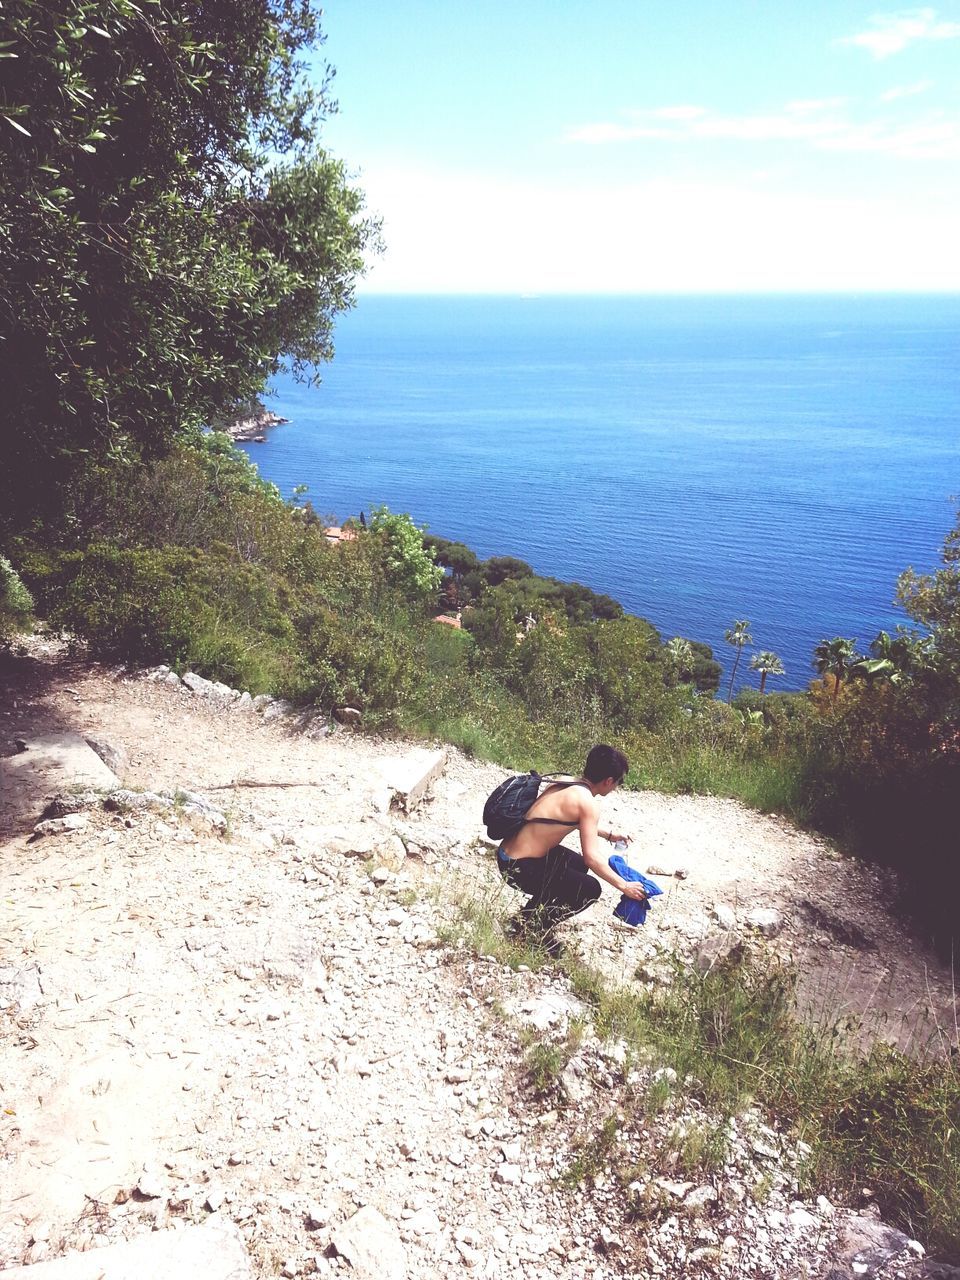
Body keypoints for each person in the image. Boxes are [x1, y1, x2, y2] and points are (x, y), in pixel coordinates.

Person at [495, 744, 647, 956]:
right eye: (619, 782)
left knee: (576, 866)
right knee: (589, 889)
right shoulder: (588, 804)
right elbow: (592, 858)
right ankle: (529, 931)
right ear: (608, 781)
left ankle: (525, 918)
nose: (616, 787)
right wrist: (625, 886)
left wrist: (610, 835)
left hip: (507, 856)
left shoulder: (567, 782)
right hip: (519, 868)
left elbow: (570, 820)